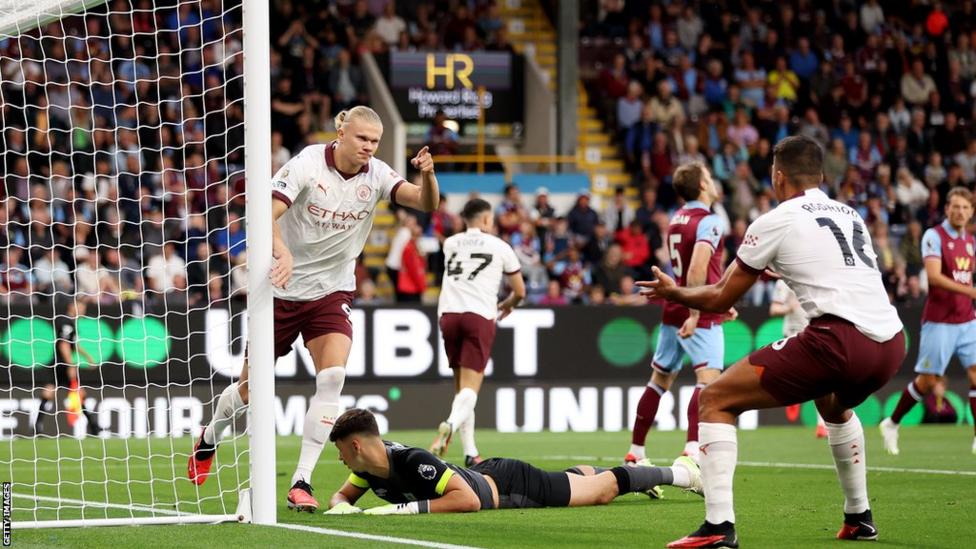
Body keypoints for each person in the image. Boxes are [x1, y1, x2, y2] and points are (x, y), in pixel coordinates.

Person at [639, 136, 904, 547]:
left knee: (715, 398)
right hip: (891, 342)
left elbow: (721, 295)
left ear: (778, 177)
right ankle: (859, 516)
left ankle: (717, 528)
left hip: (839, 342)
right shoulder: (851, 213)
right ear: (821, 175)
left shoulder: (776, 219)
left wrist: (673, 293)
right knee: (831, 404)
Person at [188, 106, 440, 513]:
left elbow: (424, 203)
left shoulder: (376, 174)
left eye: (374, 142)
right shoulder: (307, 163)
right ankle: (210, 438)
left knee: (333, 377)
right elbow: (263, 212)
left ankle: (300, 481)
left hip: (331, 291)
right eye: (362, 139)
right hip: (280, 289)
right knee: (251, 392)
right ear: (341, 132)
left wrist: (427, 175)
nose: (368, 148)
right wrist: (281, 249)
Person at [324, 408, 702, 515]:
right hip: (486, 476)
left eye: (339, 449)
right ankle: (641, 475)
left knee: (601, 492)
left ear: (356, 444)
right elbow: (339, 499)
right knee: (573, 479)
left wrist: (406, 510)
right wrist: (342, 508)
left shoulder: (412, 460)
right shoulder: (366, 469)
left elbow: (468, 501)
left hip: (510, 487)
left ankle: (682, 473)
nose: (339, 458)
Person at [625, 162, 730, 465]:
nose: (713, 181)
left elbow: (700, 271)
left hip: (673, 306)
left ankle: (636, 451)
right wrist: (696, 313)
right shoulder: (709, 221)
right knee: (707, 381)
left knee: (659, 381)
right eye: (709, 177)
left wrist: (724, 299)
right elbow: (697, 271)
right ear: (701, 186)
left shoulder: (677, 219)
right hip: (696, 310)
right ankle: (693, 451)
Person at [880, 187, 976, 456]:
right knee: (928, 381)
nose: (960, 212)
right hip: (940, 320)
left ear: (971, 213)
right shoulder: (934, 236)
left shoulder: (970, 240)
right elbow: (933, 277)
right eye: (955, 206)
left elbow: (965, 274)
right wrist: (970, 291)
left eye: (966, 208)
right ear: (946, 209)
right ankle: (892, 423)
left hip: (967, 319)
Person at [430, 198, 526, 466]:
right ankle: (449, 424)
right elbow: (519, 291)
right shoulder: (500, 246)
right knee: (471, 389)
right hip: (479, 316)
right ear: (486, 220)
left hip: (449, 315)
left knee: (461, 389)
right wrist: (508, 305)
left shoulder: (450, 243)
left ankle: (471, 452)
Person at [769, 279, 827, 438]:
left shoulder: (813, 276)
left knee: (820, 380)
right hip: (793, 334)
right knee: (805, 376)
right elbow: (774, 309)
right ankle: (794, 395)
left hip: (813, 333)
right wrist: (788, 307)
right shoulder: (783, 282)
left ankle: (821, 425)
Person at [34, 299, 100, 436]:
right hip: (61, 363)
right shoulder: (66, 322)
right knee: (74, 392)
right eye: (81, 307)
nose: (83, 310)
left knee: (55, 392)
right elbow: (63, 345)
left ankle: (37, 426)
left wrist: (88, 357)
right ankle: (94, 427)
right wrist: (70, 364)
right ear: (72, 306)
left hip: (60, 362)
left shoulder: (70, 323)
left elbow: (73, 345)